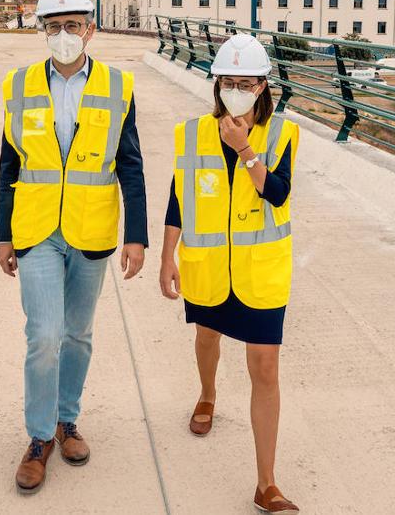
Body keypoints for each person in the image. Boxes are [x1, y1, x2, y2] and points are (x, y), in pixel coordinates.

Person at [0, 0, 148, 495]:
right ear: (42, 30)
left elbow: (131, 163)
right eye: (54, 26)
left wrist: (138, 235)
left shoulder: (117, 85)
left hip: (92, 229)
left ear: (90, 30)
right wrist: (2, 234)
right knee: (44, 336)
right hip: (36, 229)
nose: (64, 34)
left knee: (78, 335)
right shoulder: (18, 86)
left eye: (73, 25)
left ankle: (66, 420)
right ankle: (38, 438)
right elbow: (8, 164)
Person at [159, 33, 301, 513]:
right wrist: (166, 256)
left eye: (246, 83)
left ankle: (267, 484)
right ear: (215, 84)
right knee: (207, 340)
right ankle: (207, 395)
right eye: (227, 82)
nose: (235, 90)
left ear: (263, 87)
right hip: (210, 266)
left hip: (261, 271)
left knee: (264, 368)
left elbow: (277, 194)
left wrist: (245, 150)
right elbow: (179, 197)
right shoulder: (191, 133)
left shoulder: (282, 133)